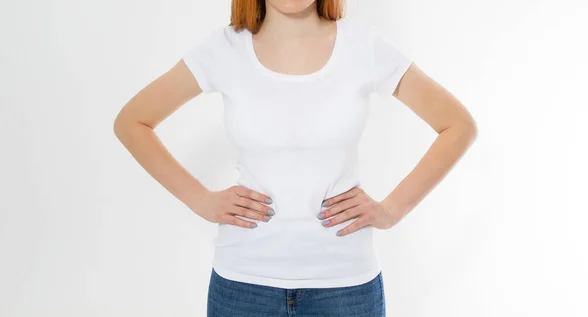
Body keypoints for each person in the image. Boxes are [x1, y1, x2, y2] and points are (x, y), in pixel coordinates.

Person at [113, 0, 477, 316]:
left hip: (346, 287)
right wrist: (201, 200)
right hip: (243, 285)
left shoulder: (365, 46)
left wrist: (392, 209)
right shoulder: (224, 50)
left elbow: (457, 125)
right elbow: (132, 122)